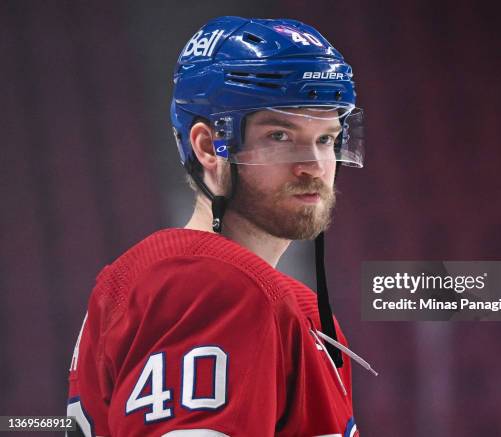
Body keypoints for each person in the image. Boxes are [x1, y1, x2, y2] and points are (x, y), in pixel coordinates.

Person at [67, 16, 372, 437]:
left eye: (325, 138)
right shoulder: (204, 284)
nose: (314, 166)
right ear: (210, 147)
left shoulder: (290, 304)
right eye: (281, 136)